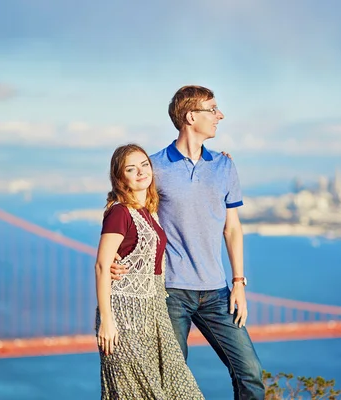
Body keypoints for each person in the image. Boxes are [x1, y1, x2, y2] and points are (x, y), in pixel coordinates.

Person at [112, 86, 265, 399]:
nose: (220, 116)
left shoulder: (225, 166)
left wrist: (238, 283)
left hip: (217, 292)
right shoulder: (154, 168)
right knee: (170, 382)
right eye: (213, 109)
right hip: (170, 292)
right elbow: (131, 215)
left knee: (251, 374)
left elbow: (232, 228)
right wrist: (117, 259)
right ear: (190, 116)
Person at [94, 143, 204, 399]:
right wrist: (107, 323)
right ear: (121, 178)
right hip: (124, 317)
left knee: (181, 388)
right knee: (137, 392)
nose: (141, 172)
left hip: (154, 314)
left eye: (144, 165)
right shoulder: (119, 213)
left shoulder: (148, 211)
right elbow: (102, 265)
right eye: (131, 169)